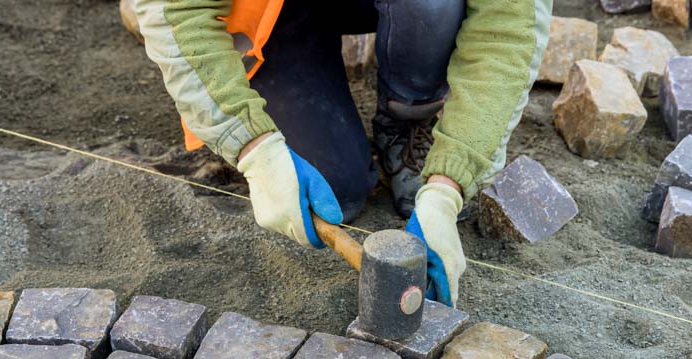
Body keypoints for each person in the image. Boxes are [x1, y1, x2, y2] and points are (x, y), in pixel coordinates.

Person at [134, 0, 551, 307]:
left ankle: (408, 119)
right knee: (334, 189)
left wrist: (450, 182)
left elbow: (510, 26)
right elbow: (178, 12)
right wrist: (252, 145)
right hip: (269, 11)